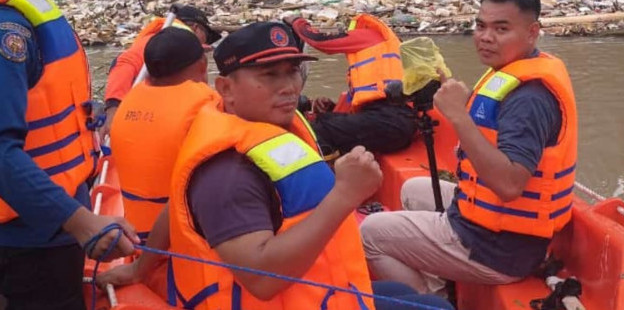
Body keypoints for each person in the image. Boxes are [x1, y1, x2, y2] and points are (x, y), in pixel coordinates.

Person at [97, 22, 453, 310]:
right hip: (280, 294)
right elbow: (262, 280)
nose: (288, 87)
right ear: (226, 88)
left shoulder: (252, 128)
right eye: (269, 76)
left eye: (292, 72)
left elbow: (174, 210)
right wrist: (345, 195)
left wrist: (141, 269)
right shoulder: (227, 173)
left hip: (317, 288)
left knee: (405, 296)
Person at [360, 0, 578, 294]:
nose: (486, 37)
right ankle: (440, 283)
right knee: (412, 190)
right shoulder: (511, 69)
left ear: (532, 32)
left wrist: (458, 117)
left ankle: (431, 301)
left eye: (501, 29)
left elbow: (509, 185)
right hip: (494, 229)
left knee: (370, 232)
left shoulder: (529, 99)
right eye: (480, 26)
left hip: (497, 249)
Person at [0, 0, 137, 309]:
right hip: (28, 238)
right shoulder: (10, 33)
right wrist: (82, 222)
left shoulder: (31, 15)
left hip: (51, 221)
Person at [110, 27, 222, 242]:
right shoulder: (206, 104)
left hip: (137, 239)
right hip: (182, 245)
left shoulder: (128, 103)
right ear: (202, 66)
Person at [285, 14, 416, 155]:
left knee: (321, 128)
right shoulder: (384, 53)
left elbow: (320, 40)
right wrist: (332, 107)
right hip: (395, 121)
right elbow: (368, 102)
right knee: (327, 119)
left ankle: (317, 173)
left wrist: (297, 22)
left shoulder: (369, 36)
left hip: (390, 121)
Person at [100, 4, 221, 138]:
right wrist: (113, 108)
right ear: (196, 29)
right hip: (141, 115)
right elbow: (124, 64)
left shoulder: (172, 47)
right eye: (207, 37)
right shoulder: (160, 42)